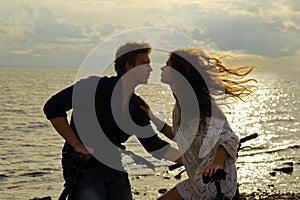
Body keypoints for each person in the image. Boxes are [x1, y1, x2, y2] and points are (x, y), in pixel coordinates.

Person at [43, 41, 182, 200]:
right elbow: (52, 107)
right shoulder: (93, 86)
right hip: (83, 167)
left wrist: (193, 162)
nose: (150, 69)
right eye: (145, 64)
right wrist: (77, 145)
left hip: (114, 167)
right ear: (129, 66)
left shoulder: (137, 106)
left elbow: (154, 145)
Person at [141, 47, 256, 200]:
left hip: (215, 183)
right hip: (197, 180)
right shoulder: (180, 107)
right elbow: (180, 136)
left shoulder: (203, 106)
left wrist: (216, 164)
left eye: (167, 65)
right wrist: (152, 117)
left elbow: (229, 139)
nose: (162, 68)